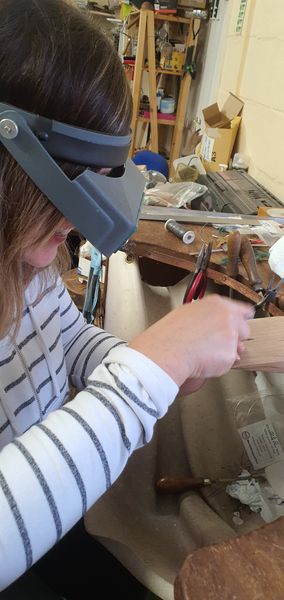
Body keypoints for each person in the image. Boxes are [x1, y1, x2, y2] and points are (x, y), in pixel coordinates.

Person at [0, 0, 254, 594]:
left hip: (54, 520)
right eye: (64, 186)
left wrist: (142, 360)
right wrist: (148, 369)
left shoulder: (23, 258)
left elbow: (63, 337)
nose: (75, 221)